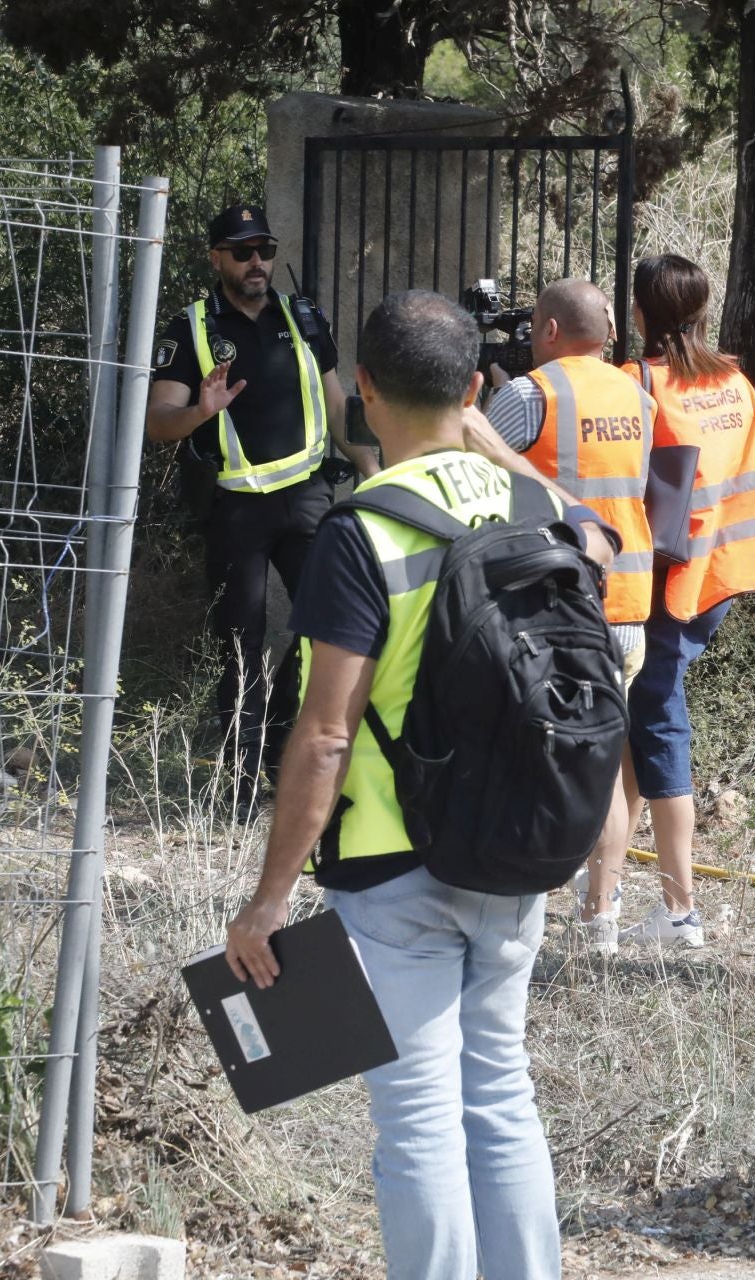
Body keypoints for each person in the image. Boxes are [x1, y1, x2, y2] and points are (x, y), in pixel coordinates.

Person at [222, 290, 618, 1280]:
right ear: (478, 390)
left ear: (361, 390)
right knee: (500, 1090)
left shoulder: (362, 532)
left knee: (418, 1115)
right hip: (520, 848)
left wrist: (270, 900)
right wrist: (498, 445)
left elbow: (323, 734)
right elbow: (603, 541)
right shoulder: (536, 508)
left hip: (394, 864)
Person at [146, 204, 380, 814]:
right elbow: (156, 422)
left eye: (265, 249)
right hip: (235, 511)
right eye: (243, 251)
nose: (257, 262)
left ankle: (285, 755)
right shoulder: (191, 327)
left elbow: (335, 406)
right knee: (240, 649)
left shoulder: (303, 318)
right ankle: (243, 787)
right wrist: (201, 409)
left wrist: (374, 474)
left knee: (324, 635)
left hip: (307, 503)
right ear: (216, 257)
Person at [569, 253, 755, 951]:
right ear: (702, 310)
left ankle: (680, 910)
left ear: (639, 314)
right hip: (721, 575)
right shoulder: (736, 383)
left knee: (656, 725)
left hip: (660, 584)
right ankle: (605, 897)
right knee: (638, 722)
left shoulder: (639, 382)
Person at [467, 278, 659, 951]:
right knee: (602, 760)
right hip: (629, 603)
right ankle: (600, 917)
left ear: (547, 332)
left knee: (527, 747)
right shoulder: (638, 396)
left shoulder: (531, 394)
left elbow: (477, 462)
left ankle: (511, 902)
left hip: (554, 607)